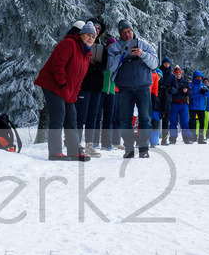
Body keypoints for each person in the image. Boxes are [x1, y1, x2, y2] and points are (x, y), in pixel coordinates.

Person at [35, 20, 94, 161]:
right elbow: (57, 66)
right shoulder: (69, 44)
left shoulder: (86, 54)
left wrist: (73, 92)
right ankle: (55, 152)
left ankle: (74, 152)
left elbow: (79, 78)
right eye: (88, 35)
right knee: (59, 115)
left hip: (67, 89)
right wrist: (63, 86)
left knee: (72, 118)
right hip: (53, 84)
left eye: (93, 36)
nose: (90, 38)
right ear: (81, 34)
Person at [107, 20, 158, 158]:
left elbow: (154, 64)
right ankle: (129, 148)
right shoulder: (114, 48)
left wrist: (142, 54)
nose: (128, 34)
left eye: (129, 31)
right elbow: (110, 67)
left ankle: (143, 148)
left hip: (143, 86)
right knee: (125, 120)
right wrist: (122, 54)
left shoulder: (144, 45)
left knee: (145, 118)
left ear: (133, 30)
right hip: (124, 87)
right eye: (124, 33)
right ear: (120, 34)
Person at [77, 18, 106, 156]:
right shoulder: (81, 43)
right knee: (81, 115)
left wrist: (95, 65)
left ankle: (90, 144)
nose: (97, 30)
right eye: (94, 27)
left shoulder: (102, 47)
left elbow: (104, 65)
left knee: (93, 116)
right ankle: (76, 143)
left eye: (99, 29)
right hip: (84, 83)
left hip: (97, 86)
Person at [164, 65, 191, 144]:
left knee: (185, 121)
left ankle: (186, 137)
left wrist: (186, 91)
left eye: (179, 74)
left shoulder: (185, 82)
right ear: (174, 74)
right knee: (173, 121)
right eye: (176, 74)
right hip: (174, 103)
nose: (178, 75)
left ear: (181, 74)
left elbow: (190, 92)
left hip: (183, 104)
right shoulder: (171, 81)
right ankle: (173, 138)